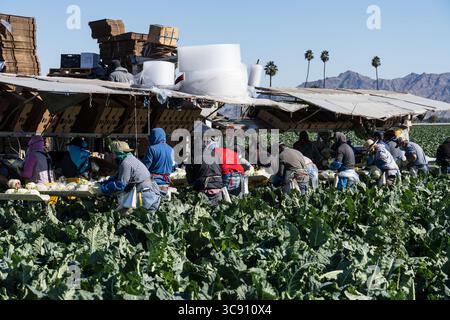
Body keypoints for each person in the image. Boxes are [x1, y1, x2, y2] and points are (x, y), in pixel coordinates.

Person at [99, 141, 161, 214]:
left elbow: (121, 185)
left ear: (117, 153)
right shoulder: (131, 159)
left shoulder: (125, 163)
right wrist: (104, 183)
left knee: (125, 216)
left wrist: (103, 189)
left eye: (112, 153)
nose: (112, 155)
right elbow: (118, 177)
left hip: (145, 197)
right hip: (150, 194)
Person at [186, 139, 224, 206]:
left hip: (205, 186)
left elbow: (189, 171)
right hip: (218, 185)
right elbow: (220, 168)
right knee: (218, 211)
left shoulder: (193, 155)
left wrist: (191, 184)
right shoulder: (213, 153)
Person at [142, 128, 175, 196]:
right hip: (166, 183)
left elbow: (144, 167)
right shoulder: (171, 149)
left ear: (154, 137)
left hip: (154, 183)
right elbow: (173, 168)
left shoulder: (152, 149)